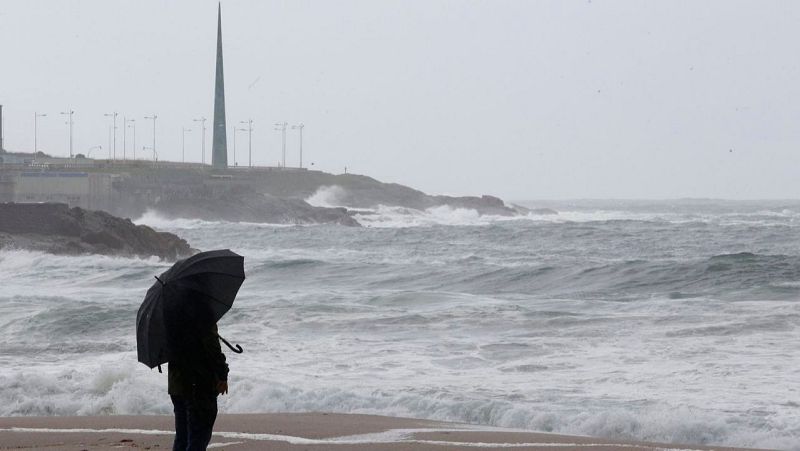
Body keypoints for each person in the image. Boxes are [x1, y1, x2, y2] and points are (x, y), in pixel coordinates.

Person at [164, 294, 229, 451]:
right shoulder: (202, 309)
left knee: (182, 438)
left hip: (177, 383)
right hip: (199, 384)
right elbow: (212, 348)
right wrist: (222, 374)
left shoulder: (169, 310)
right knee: (198, 438)